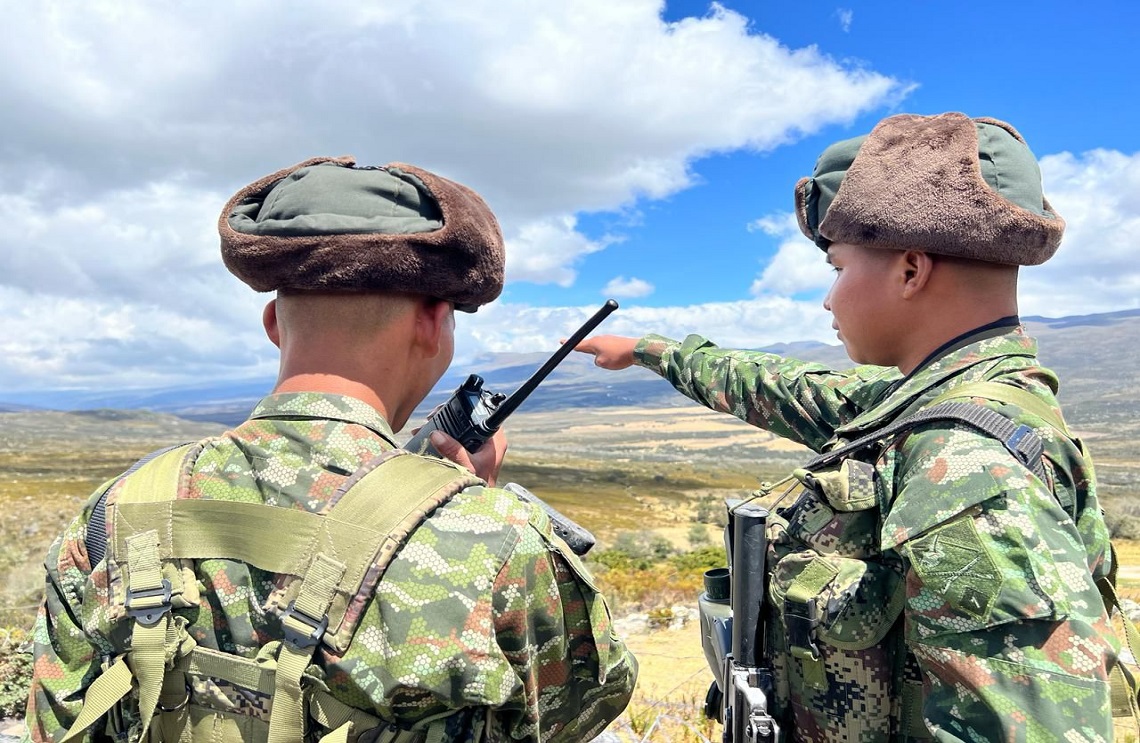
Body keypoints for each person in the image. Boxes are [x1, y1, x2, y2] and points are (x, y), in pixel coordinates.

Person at [25, 156, 636, 743]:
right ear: (432, 323)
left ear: (273, 323)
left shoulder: (117, 509)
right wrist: (470, 504)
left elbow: (58, 720)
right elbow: (582, 707)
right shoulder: (497, 536)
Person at [575, 113, 1117, 741]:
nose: (828, 300)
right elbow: (783, 387)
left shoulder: (965, 464)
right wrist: (650, 350)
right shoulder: (927, 404)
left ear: (911, 271)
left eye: (837, 268)